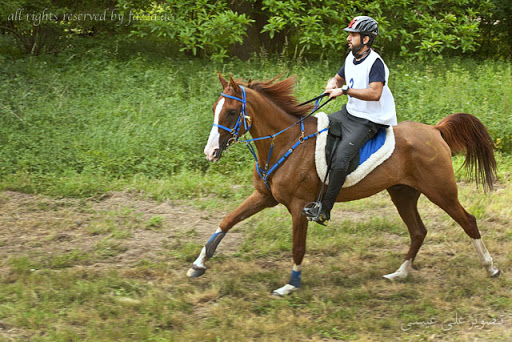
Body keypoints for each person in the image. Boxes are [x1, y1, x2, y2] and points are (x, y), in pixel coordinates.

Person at [303, 16, 397, 225]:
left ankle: (324, 210)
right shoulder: (351, 57)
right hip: (350, 113)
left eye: (352, 35)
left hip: (369, 120)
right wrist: (332, 83)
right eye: (349, 34)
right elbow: (338, 78)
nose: (348, 38)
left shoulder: (376, 63)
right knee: (313, 129)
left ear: (365, 39)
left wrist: (344, 90)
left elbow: (375, 94)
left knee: (340, 160)